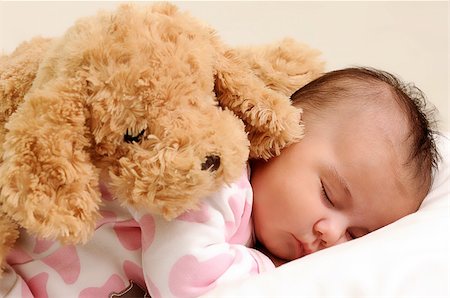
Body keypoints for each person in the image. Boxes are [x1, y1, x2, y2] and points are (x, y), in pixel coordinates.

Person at [4, 67, 439, 298]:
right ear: (283, 135)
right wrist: (272, 270)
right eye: (329, 194)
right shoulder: (214, 178)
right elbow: (188, 283)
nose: (330, 233)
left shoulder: (252, 227)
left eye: (356, 234)